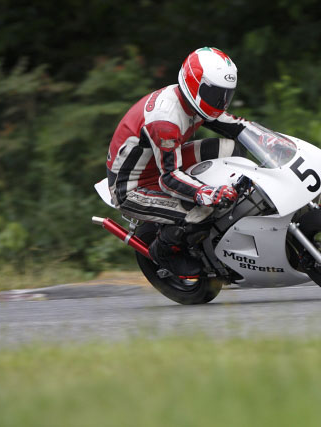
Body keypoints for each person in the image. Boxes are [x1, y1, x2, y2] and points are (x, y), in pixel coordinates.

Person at [106, 47, 250, 279]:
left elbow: (240, 127)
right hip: (133, 186)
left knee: (233, 150)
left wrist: (274, 142)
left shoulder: (193, 101)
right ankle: (163, 252)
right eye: (216, 94)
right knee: (203, 210)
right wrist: (208, 193)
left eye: (226, 95)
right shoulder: (166, 120)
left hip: (160, 162)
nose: (221, 102)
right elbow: (169, 178)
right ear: (195, 85)